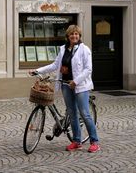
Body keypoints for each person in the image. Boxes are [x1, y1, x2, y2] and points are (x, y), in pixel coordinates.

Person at [30, 25, 100, 153]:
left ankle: (94, 141)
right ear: (68, 36)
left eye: (76, 34)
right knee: (72, 114)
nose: (74, 36)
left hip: (80, 86)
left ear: (79, 36)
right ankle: (76, 141)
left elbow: (88, 69)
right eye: (72, 34)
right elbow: (55, 65)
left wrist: (76, 81)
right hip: (66, 85)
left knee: (85, 114)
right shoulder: (63, 49)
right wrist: (37, 70)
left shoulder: (85, 50)